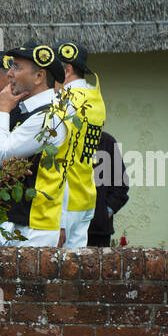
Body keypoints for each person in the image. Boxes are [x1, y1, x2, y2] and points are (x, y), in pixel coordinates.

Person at [0, 42, 68, 246]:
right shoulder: (40, 112)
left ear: (39, 76)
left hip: (34, 227)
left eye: (16, 67)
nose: (9, 74)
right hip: (28, 223)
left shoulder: (46, 116)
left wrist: (2, 110)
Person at [48, 39, 106, 249]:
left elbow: (60, 156)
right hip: (86, 196)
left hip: (65, 200)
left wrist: (61, 219)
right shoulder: (96, 97)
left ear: (68, 69)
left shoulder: (64, 101)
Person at [87, 130, 130, 247]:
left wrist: (105, 212)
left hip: (97, 232)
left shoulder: (107, 142)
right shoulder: (67, 139)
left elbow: (121, 184)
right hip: (66, 229)